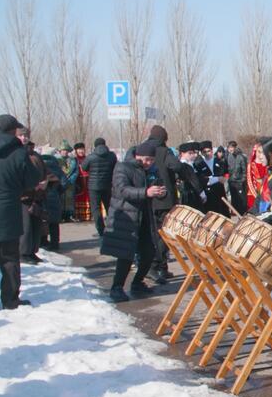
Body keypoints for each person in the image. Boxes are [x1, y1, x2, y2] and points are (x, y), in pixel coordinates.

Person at [129, 126, 204, 283]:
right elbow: (176, 166)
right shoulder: (164, 151)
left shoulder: (140, 149)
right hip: (164, 199)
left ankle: (156, 267)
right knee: (164, 235)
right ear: (164, 138)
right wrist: (188, 178)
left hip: (145, 196)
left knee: (151, 234)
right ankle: (157, 266)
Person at [101, 141, 167, 302]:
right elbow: (122, 190)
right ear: (137, 156)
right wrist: (146, 192)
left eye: (151, 160)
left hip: (144, 217)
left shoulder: (151, 170)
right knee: (125, 255)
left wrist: (160, 192)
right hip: (126, 216)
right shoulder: (123, 167)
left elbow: (156, 187)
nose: (148, 163)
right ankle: (117, 287)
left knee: (149, 252)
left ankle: (137, 282)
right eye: (146, 159)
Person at [0, 115, 41, 309]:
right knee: (9, 258)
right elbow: (32, 179)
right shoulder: (18, 152)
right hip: (8, 212)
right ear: (13, 131)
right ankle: (10, 300)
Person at [20, 140, 49, 265]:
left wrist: (46, 183)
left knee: (36, 226)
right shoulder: (19, 157)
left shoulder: (37, 157)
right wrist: (33, 186)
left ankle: (32, 251)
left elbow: (47, 173)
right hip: (25, 198)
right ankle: (24, 253)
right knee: (26, 227)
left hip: (38, 196)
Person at [81, 137, 117, 236]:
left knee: (96, 209)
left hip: (93, 187)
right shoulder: (112, 156)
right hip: (107, 185)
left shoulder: (91, 157)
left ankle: (101, 230)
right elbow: (116, 167)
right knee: (109, 207)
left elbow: (83, 167)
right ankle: (112, 228)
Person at [195, 140, 229, 216]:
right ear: (201, 153)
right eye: (204, 152)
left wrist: (223, 178)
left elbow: (224, 173)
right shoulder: (199, 164)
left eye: (209, 151)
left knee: (222, 212)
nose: (207, 153)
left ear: (212, 150)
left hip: (219, 190)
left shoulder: (219, 161)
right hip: (208, 192)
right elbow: (201, 177)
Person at [41, 153, 66, 251]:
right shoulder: (58, 170)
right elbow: (65, 183)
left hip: (42, 197)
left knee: (43, 221)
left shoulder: (40, 169)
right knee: (54, 223)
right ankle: (55, 244)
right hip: (55, 197)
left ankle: (43, 242)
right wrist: (58, 191)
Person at [177, 142, 206, 211]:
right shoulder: (183, 165)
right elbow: (194, 181)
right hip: (188, 196)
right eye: (189, 153)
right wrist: (202, 194)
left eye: (193, 153)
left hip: (191, 195)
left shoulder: (191, 164)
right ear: (182, 154)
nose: (192, 155)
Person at [56, 141, 78, 222]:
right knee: (60, 199)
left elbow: (76, 172)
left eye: (66, 150)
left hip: (70, 184)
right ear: (60, 151)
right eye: (63, 150)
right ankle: (60, 215)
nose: (64, 152)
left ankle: (70, 215)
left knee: (70, 199)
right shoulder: (56, 160)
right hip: (61, 183)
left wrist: (71, 180)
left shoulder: (73, 160)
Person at [226, 140, 248, 215]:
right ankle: (237, 215)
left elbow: (245, 171)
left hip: (240, 182)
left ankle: (244, 215)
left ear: (235, 147)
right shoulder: (229, 156)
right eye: (229, 148)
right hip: (232, 182)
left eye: (231, 147)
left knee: (242, 201)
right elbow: (229, 169)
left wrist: (242, 181)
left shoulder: (241, 157)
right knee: (235, 201)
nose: (230, 149)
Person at [247, 137, 268, 209]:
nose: (260, 155)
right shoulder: (251, 165)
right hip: (253, 194)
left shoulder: (266, 165)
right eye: (258, 152)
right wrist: (256, 196)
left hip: (265, 194)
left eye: (262, 152)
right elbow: (250, 182)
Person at [73, 142, 91, 221]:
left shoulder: (88, 158)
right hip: (78, 180)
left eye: (82, 149)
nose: (81, 151)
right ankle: (78, 215)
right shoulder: (74, 160)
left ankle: (88, 215)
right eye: (79, 150)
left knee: (87, 197)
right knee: (79, 197)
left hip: (87, 179)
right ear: (76, 151)